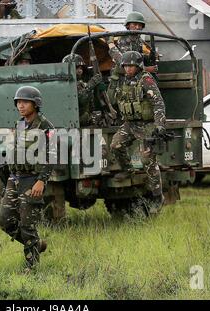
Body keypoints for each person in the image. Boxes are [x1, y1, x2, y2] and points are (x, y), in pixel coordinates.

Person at [0, 86, 55, 271]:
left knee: (27, 225)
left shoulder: (46, 126)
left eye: (25, 102)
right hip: (15, 179)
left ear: (35, 104)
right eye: (18, 102)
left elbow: (52, 155)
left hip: (32, 180)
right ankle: (35, 244)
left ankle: (32, 267)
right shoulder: (19, 124)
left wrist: (41, 181)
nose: (20, 106)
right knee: (4, 220)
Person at [108, 51, 166, 208]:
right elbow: (112, 99)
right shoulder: (124, 80)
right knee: (115, 145)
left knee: (148, 161)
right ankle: (127, 170)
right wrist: (113, 79)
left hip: (146, 125)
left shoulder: (146, 79)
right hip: (130, 124)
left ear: (138, 66)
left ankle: (157, 196)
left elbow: (158, 102)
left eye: (131, 66)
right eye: (126, 66)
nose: (128, 69)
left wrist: (159, 125)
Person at [62, 54, 102, 126]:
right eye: (76, 68)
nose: (80, 70)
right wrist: (90, 85)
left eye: (81, 68)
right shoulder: (65, 84)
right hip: (73, 121)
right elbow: (82, 100)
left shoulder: (80, 83)